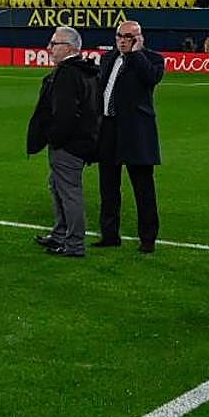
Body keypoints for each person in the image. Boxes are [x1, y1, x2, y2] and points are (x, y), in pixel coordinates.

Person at [26, 25, 99, 259]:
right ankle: (60, 235)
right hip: (81, 141)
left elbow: (65, 114)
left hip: (69, 145)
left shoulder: (68, 74)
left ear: (68, 47)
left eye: (54, 44)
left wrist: (54, 138)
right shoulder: (85, 71)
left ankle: (74, 244)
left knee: (68, 192)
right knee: (57, 186)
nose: (49, 48)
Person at [93, 20, 164, 252]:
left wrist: (136, 54)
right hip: (109, 129)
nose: (122, 41)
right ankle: (110, 234)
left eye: (128, 37)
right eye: (119, 36)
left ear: (139, 38)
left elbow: (151, 78)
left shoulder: (152, 59)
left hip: (136, 132)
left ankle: (148, 238)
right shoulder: (108, 58)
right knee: (108, 186)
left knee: (143, 188)